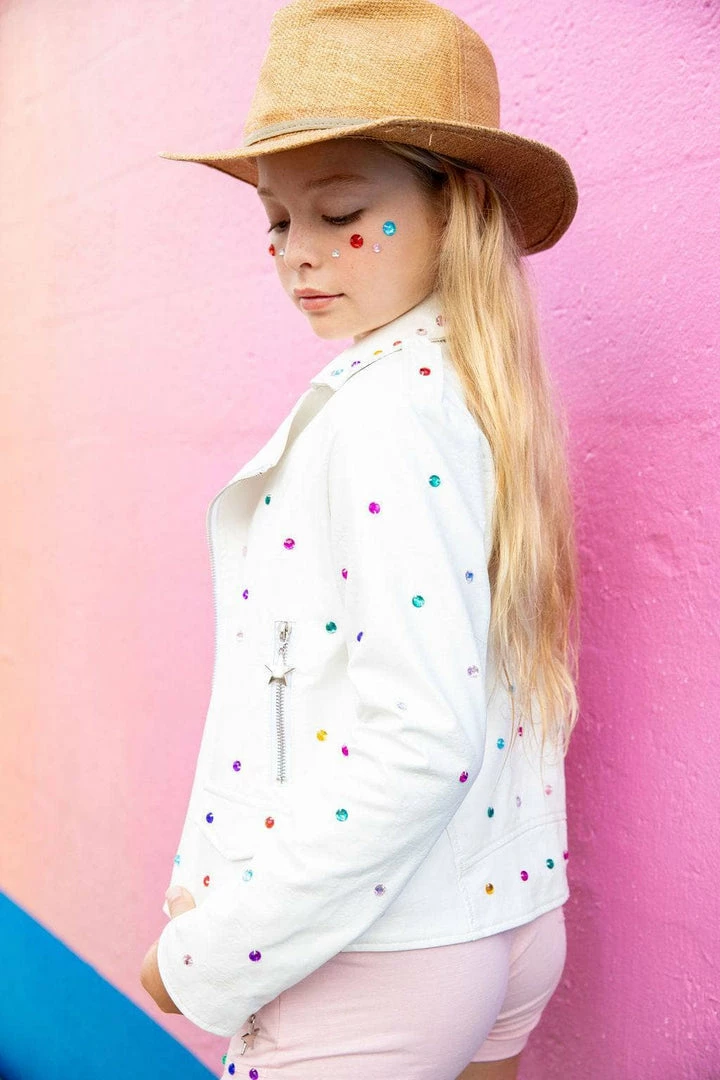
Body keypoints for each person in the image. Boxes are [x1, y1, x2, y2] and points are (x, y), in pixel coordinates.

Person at [140, 2, 581, 1078]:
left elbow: (420, 740)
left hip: (383, 951)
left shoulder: (381, 415)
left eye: (341, 212)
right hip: (509, 910)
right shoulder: (473, 392)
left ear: (454, 212)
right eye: (276, 221)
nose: (297, 255)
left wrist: (203, 958)